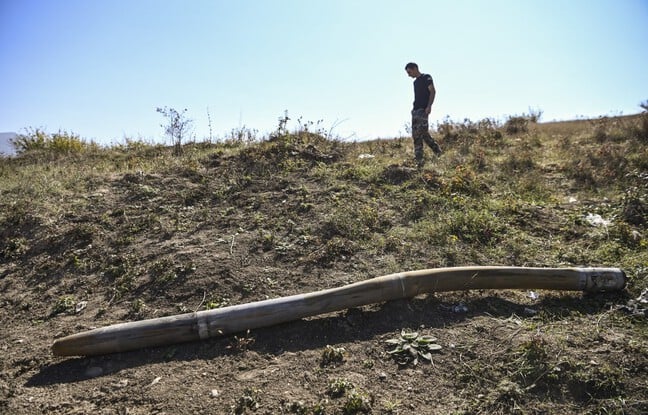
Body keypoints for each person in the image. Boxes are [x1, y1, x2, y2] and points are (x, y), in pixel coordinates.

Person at [405, 62, 442, 166]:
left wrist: (429, 106)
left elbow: (433, 91)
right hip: (415, 111)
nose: (408, 75)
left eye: (409, 72)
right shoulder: (415, 82)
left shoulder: (427, 77)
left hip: (423, 110)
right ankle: (437, 152)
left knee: (419, 135)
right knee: (422, 135)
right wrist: (413, 110)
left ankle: (419, 160)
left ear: (415, 68)